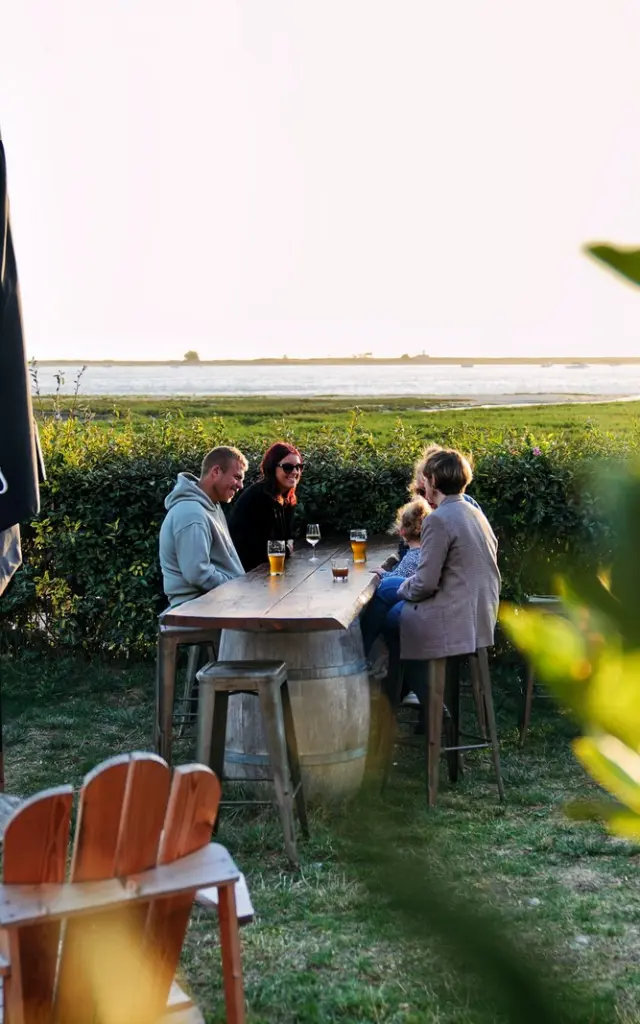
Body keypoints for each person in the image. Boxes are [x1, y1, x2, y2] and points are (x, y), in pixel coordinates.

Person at [383, 447, 500, 707]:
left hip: (454, 618)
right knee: (388, 588)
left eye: (425, 480)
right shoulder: (474, 513)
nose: (423, 486)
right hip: (480, 614)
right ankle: (401, 694)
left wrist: (402, 590)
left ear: (434, 480)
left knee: (388, 612)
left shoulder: (438, 519)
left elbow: (425, 583)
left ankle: (422, 698)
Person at [159, 445, 247, 607]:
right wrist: (236, 588)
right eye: (237, 477)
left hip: (217, 604)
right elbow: (198, 573)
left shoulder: (212, 506)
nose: (240, 485)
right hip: (197, 610)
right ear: (216, 472)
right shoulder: (191, 513)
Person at [360, 498, 430, 664]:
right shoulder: (425, 551)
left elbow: (399, 580)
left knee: (381, 593)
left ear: (402, 531)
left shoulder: (412, 557)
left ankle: (363, 650)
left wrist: (383, 574)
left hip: (414, 600)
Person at [229, 442, 303, 572]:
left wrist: (285, 547)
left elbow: (287, 540)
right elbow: (266, 548)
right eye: (288, 467)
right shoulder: (259, 497)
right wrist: (286, 549)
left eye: (299, 467)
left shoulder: (286, 497)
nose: (295, 472)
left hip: (267, 569)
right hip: (246, 573)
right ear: (272, 468)